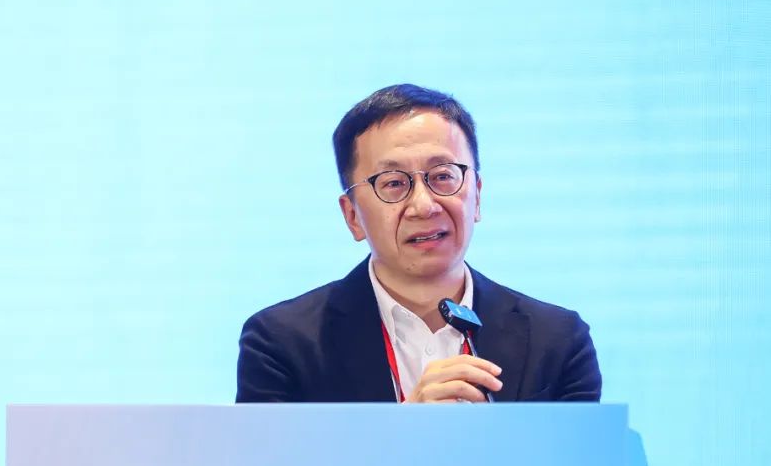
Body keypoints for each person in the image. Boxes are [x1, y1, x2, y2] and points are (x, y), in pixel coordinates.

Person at [236, 84, 601, 403]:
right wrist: (408, 430)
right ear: (352, 216)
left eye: (443, 176)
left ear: (477, 196)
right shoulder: (282, 344)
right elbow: (276, 465)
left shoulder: (557, 341)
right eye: (394, 183)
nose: (424, 205)